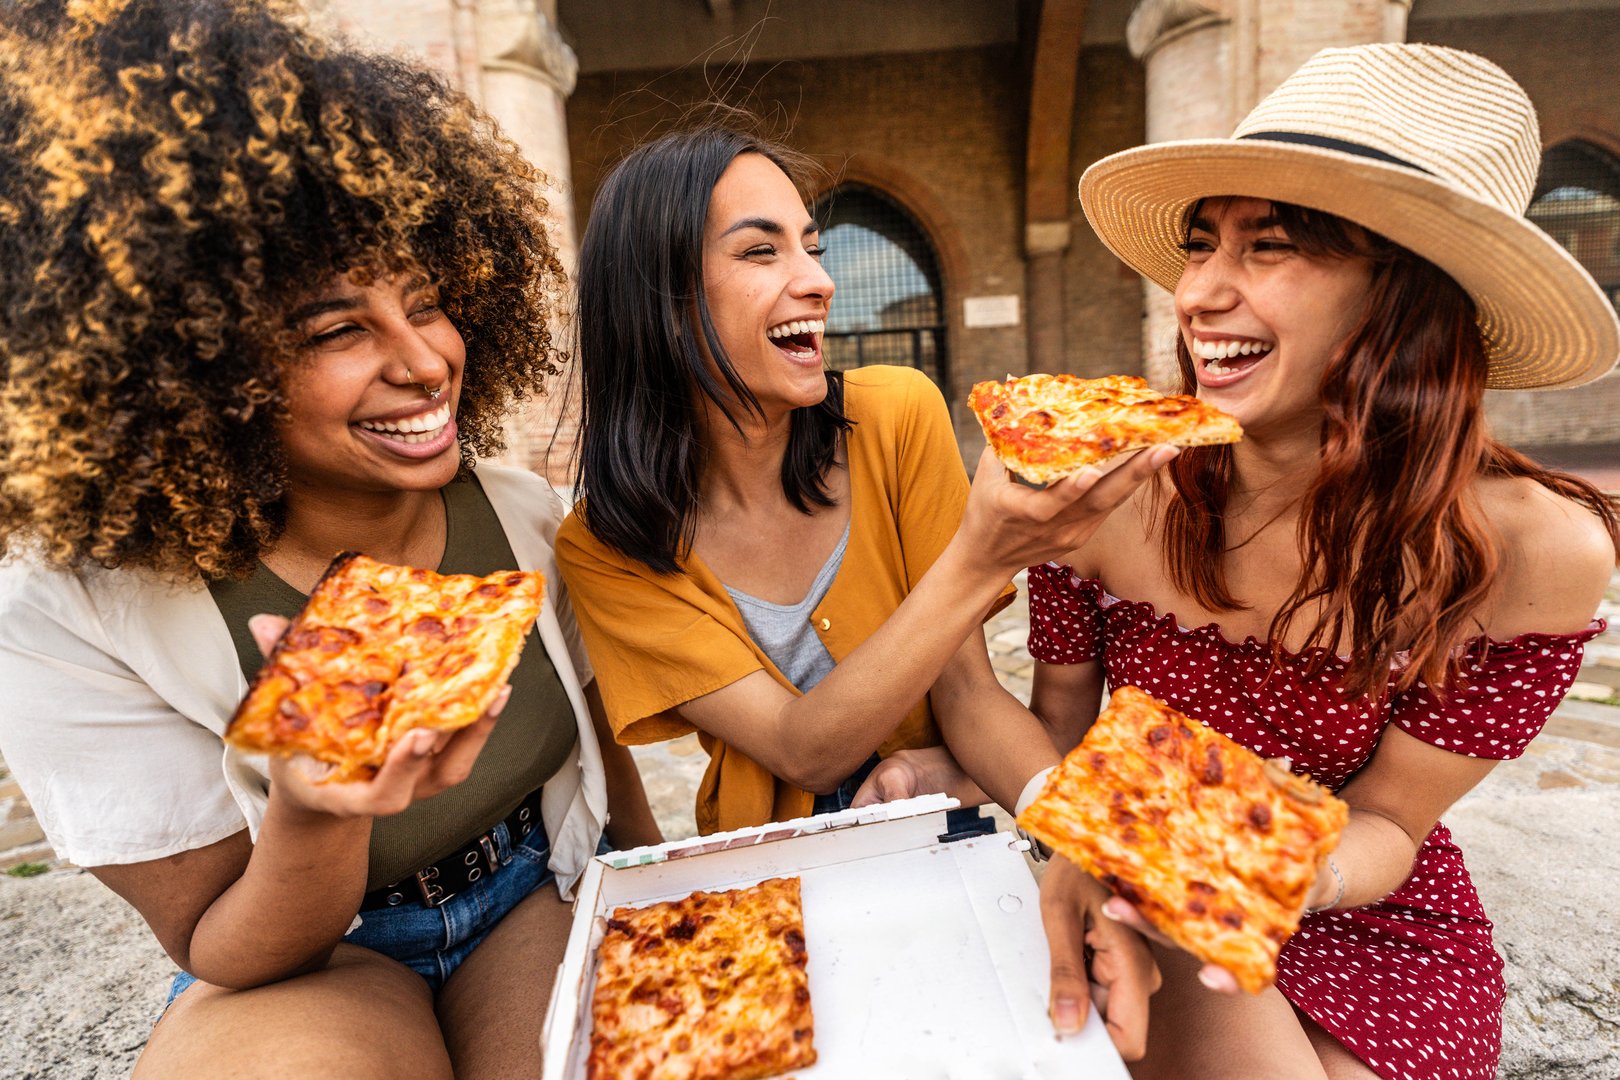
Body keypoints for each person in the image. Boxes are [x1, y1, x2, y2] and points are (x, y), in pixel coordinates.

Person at [878, 42, 1620, 1079]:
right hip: (1134, 884)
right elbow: (1061, 732)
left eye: (1269, 248)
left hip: (1364, 919)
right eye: (1200, 245)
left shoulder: (1535, 549)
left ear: (1406, 297)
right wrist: (1111, 842)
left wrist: (1255, 866)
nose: (1199, 296)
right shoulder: (1108, 485)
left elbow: (1392, 822)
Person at [0, 2, 659, 1076]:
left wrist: (655, 870)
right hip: (306, 962)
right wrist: (312, 807)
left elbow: (603, 739)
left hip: (527, 890)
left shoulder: (524, 514)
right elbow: (215, 940)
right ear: (189, 365)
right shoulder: (69, 620)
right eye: (336, 329)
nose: (424, 361)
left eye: (428, 303)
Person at [552, 123, 1170, 1050]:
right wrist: (982, 555)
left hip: (945, 839)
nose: (817, 279)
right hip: (769, 887)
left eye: (812, 244)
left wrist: (1077, 846)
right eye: (762, 250)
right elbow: (801, 749)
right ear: (663, 301)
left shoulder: (894, 415)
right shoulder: (607, 543)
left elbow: (967, 693)